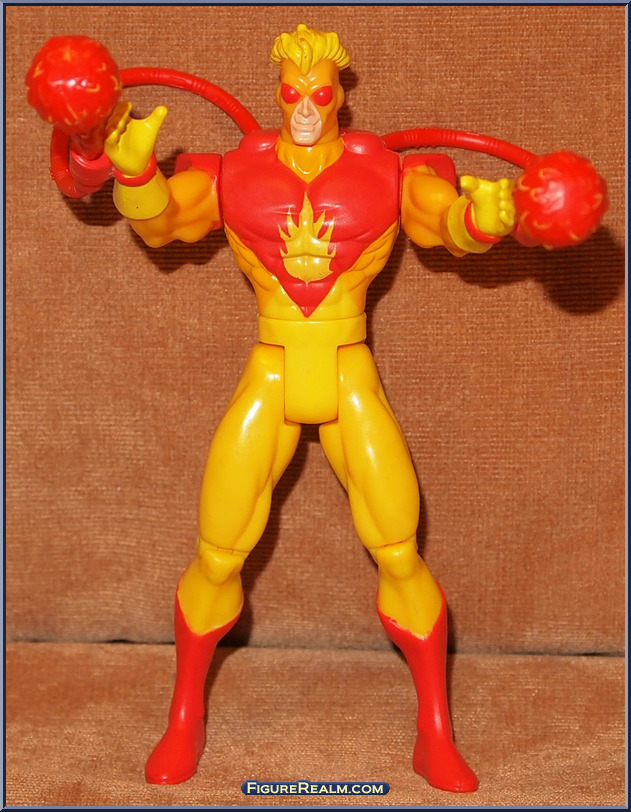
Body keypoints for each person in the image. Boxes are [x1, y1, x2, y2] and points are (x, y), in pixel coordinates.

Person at [104, 23, 515, 792]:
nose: (302, 105)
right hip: (272, 364)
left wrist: (482, 221)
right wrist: (135, 176)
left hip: (347, 363)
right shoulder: (236, 168)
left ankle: (434, 731)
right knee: (218, 549)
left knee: (398, 548)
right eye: (291, 91)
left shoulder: (385, 167)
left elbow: (440, 221)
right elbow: (164, 224)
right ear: (277, 91)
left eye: (317, 93)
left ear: (337, 97)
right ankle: (184, 717)